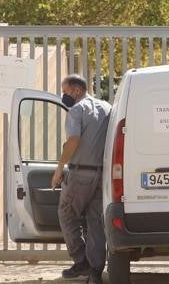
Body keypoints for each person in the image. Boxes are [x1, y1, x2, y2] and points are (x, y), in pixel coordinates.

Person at [51, 73, 111, 283]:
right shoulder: (107, 108)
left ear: (77, 90)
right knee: (95, 221)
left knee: (67, 214)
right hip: (102, 174)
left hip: (79, 173)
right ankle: (95, 271)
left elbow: (73, 140)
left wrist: (59, 169)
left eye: (65, 91)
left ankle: (80, 260)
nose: (63, 95)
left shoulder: (76, 110)